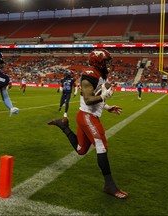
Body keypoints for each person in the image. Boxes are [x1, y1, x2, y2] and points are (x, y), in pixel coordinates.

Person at [48, 49, 128, 199]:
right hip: (87, 116)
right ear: (98, 62)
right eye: (105, 61)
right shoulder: (89, 75)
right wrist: (104, 95)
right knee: (101, 145)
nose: (108, 65)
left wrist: (108, 107)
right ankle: (109, 185)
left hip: (88, 115)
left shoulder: (100, 75)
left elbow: (97, 98)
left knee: (81, 150)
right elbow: (88, 99)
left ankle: (64, 126)